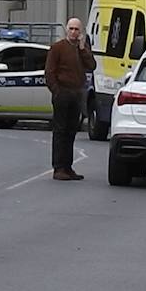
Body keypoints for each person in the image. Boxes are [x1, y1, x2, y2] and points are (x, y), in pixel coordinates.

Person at [44, 17, 95, 181]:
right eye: (71, 29)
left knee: (72, 131)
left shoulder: (81, 49)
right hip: (62, 93)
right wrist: (56, 91)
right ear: (67, 29)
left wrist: (82, 48)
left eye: (77, 29)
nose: (74, 32)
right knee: (60, 130)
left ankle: (68, 166)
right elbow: (49, 72)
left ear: (81, 32)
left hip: (76, 93)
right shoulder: (58, 48)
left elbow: (92, 65)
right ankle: (58, 167)